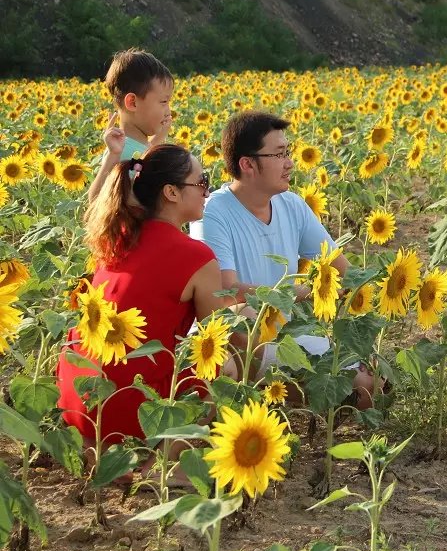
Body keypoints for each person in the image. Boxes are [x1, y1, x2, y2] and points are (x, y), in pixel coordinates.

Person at [190, 111, 377, 408]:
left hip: (288, 335)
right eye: (278, 154)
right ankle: (249, 404)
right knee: (242, 318)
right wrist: (300, 293)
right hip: (240, 343)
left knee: (367, 386)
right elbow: (225, 290)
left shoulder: (291, 205)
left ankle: (281, 401)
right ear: (247, 164)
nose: (289, 162)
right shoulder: (213, 213)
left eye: (287, 152)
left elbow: (341, 269)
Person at [58, 142, 224, 447]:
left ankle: (99, 449)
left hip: (80, 401)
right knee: (227, 362)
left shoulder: (116, 239)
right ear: (171, 192)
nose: (207, 192)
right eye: (202, 182)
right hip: (130, 407)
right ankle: (160, 462)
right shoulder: (196, 256)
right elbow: (219, 338)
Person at [88, 48, 174, 203]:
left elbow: (140, 160)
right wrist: (112, 157)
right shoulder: (122, 152)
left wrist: (158, 138)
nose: (168, 111)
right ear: (132, 102)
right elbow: (97, 200)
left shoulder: (134, 149)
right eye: (163, 102)